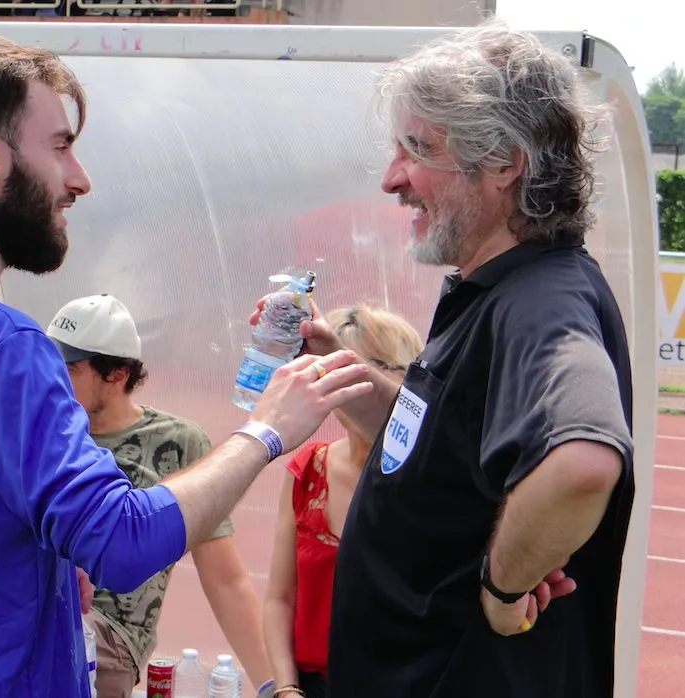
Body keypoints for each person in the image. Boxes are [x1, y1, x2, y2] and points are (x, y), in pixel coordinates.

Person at [0, 34, 372, 698]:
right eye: (60, 146)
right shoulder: (0, 342)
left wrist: (32, 568)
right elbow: (121, 543)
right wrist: (264, 431)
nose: (79, 178)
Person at [252, 19, 635, 698]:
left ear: (503, 164)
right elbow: (445, 450)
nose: (391, 178)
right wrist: (345, 369)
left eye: (417, 149)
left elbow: (583, 461)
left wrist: (500, 583)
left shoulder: (541, 302)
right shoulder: (492, 289)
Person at [46, 293, 273, 697]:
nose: (52, 378)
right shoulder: (43, 433)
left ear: (116, 374)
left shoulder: (177, 442)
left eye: (70, 368)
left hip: (105, 638)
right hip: (38, 614)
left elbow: (225, 578)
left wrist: (275, 686)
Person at [262, 304, 423, 698]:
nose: (353, 383)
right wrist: (286, 689)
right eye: (337, 368)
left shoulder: (432, 478)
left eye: (374, 366)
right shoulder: (308, 468)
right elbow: (280, 599)